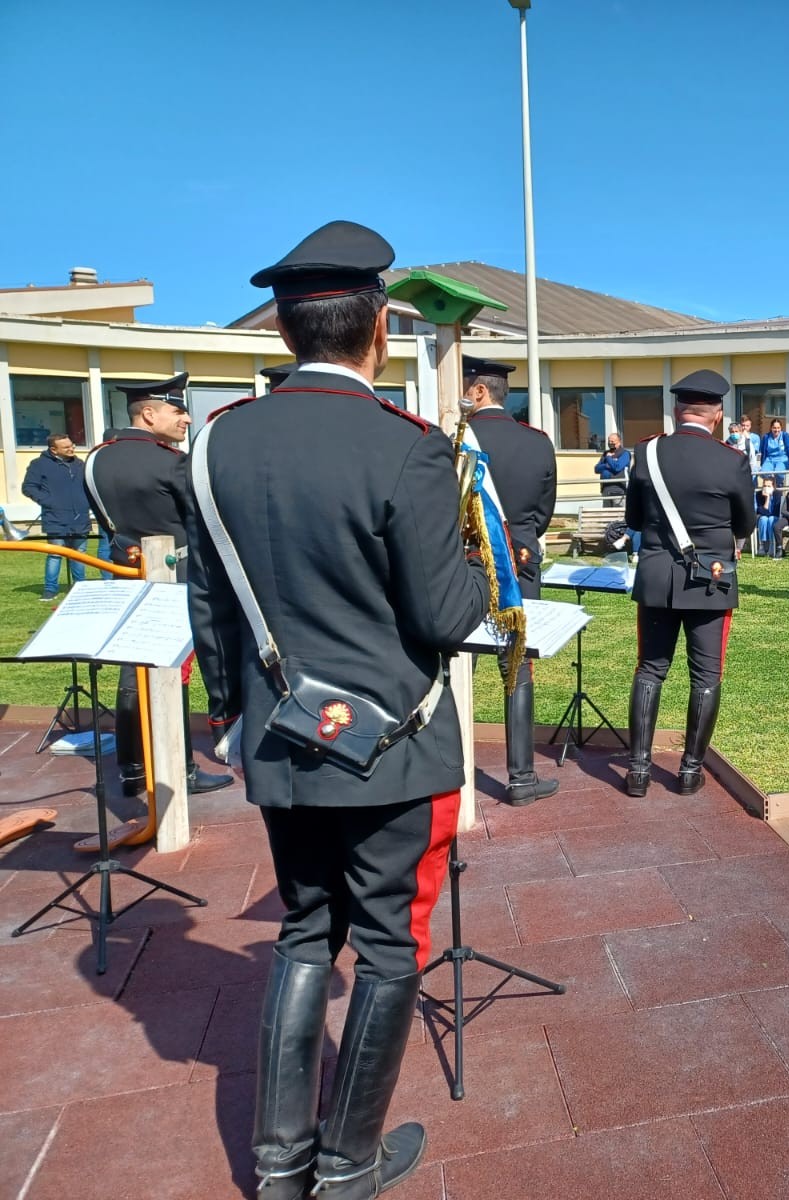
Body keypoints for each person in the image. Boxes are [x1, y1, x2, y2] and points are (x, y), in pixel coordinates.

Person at [187, 221, 490, 1200]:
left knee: (304, 931)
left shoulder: (217, 440)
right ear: (380, 334)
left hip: (279, 731)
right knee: (391, 946)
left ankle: (281, 1168)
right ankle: (347, 1167)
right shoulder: (405, 447)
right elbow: (443, 614)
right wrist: (484, 585)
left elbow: (208, 602)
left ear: (284, 330)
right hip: (391, 745)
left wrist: (234, 714)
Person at [84, 373, 232, 801]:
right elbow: (200, 520)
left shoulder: (97, 459)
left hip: (125, 574)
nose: (186, 418)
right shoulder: (171, 463)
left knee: (132, 670)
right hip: (175, 577)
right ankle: (177, 768)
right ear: (148, 413)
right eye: (177, 410)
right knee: (172, 674)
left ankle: (131, 767)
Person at [624, 368, 757, 796]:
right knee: (706, 675)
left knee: (650, 670)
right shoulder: (732, 460)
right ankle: (689, 771)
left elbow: (632, 519)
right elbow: (745, 523)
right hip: (711, 580)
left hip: (659, 576)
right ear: (717, 415)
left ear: (676, 410)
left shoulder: (647, 453)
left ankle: (639, 771)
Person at [463, 355, 560, 807]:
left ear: (479, 391)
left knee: (458, 670)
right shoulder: (538, 442)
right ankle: (521, 778)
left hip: (461, 564)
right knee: (517, 671)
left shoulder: (453, 440)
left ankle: (451, 776)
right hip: (518, 563)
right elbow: (542, 513)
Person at [22, 432, 92, 602]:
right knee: (55, 554)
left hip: (80, 517)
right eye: (66, 447)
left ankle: (79, 587)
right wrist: (49, 501)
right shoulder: (39, 465)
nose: (71, 449)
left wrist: (86, 503)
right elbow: (29, 487)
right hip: (55, 517)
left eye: (72, 445)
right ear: (54, 450)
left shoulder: (79, 464)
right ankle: (50, 590)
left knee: (79, 553)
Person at [594, 432, 631, 507]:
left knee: (618, 515)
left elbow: (617, 467)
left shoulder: (625, 453)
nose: (610, 443)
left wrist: (609, 458)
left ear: (619, 442)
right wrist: (606, 465)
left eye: (612, 441)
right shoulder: (605, 453)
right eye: (609, 441)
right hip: (605, 489)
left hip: (618, 489)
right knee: (607, 515)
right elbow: (597, 468)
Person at [755, 476, 782, 558]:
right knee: (763, 519)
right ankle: (762, 545)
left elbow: (776, 512)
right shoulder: (759, 494)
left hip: (774, 517)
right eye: (764, 486)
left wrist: (770, 497)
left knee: (770, 519)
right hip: (762, 518)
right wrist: (767, 498)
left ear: (773, 487)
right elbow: (760, 511)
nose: (766, 488)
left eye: (769, 486)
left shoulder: (778, 494)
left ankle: (771, 545)